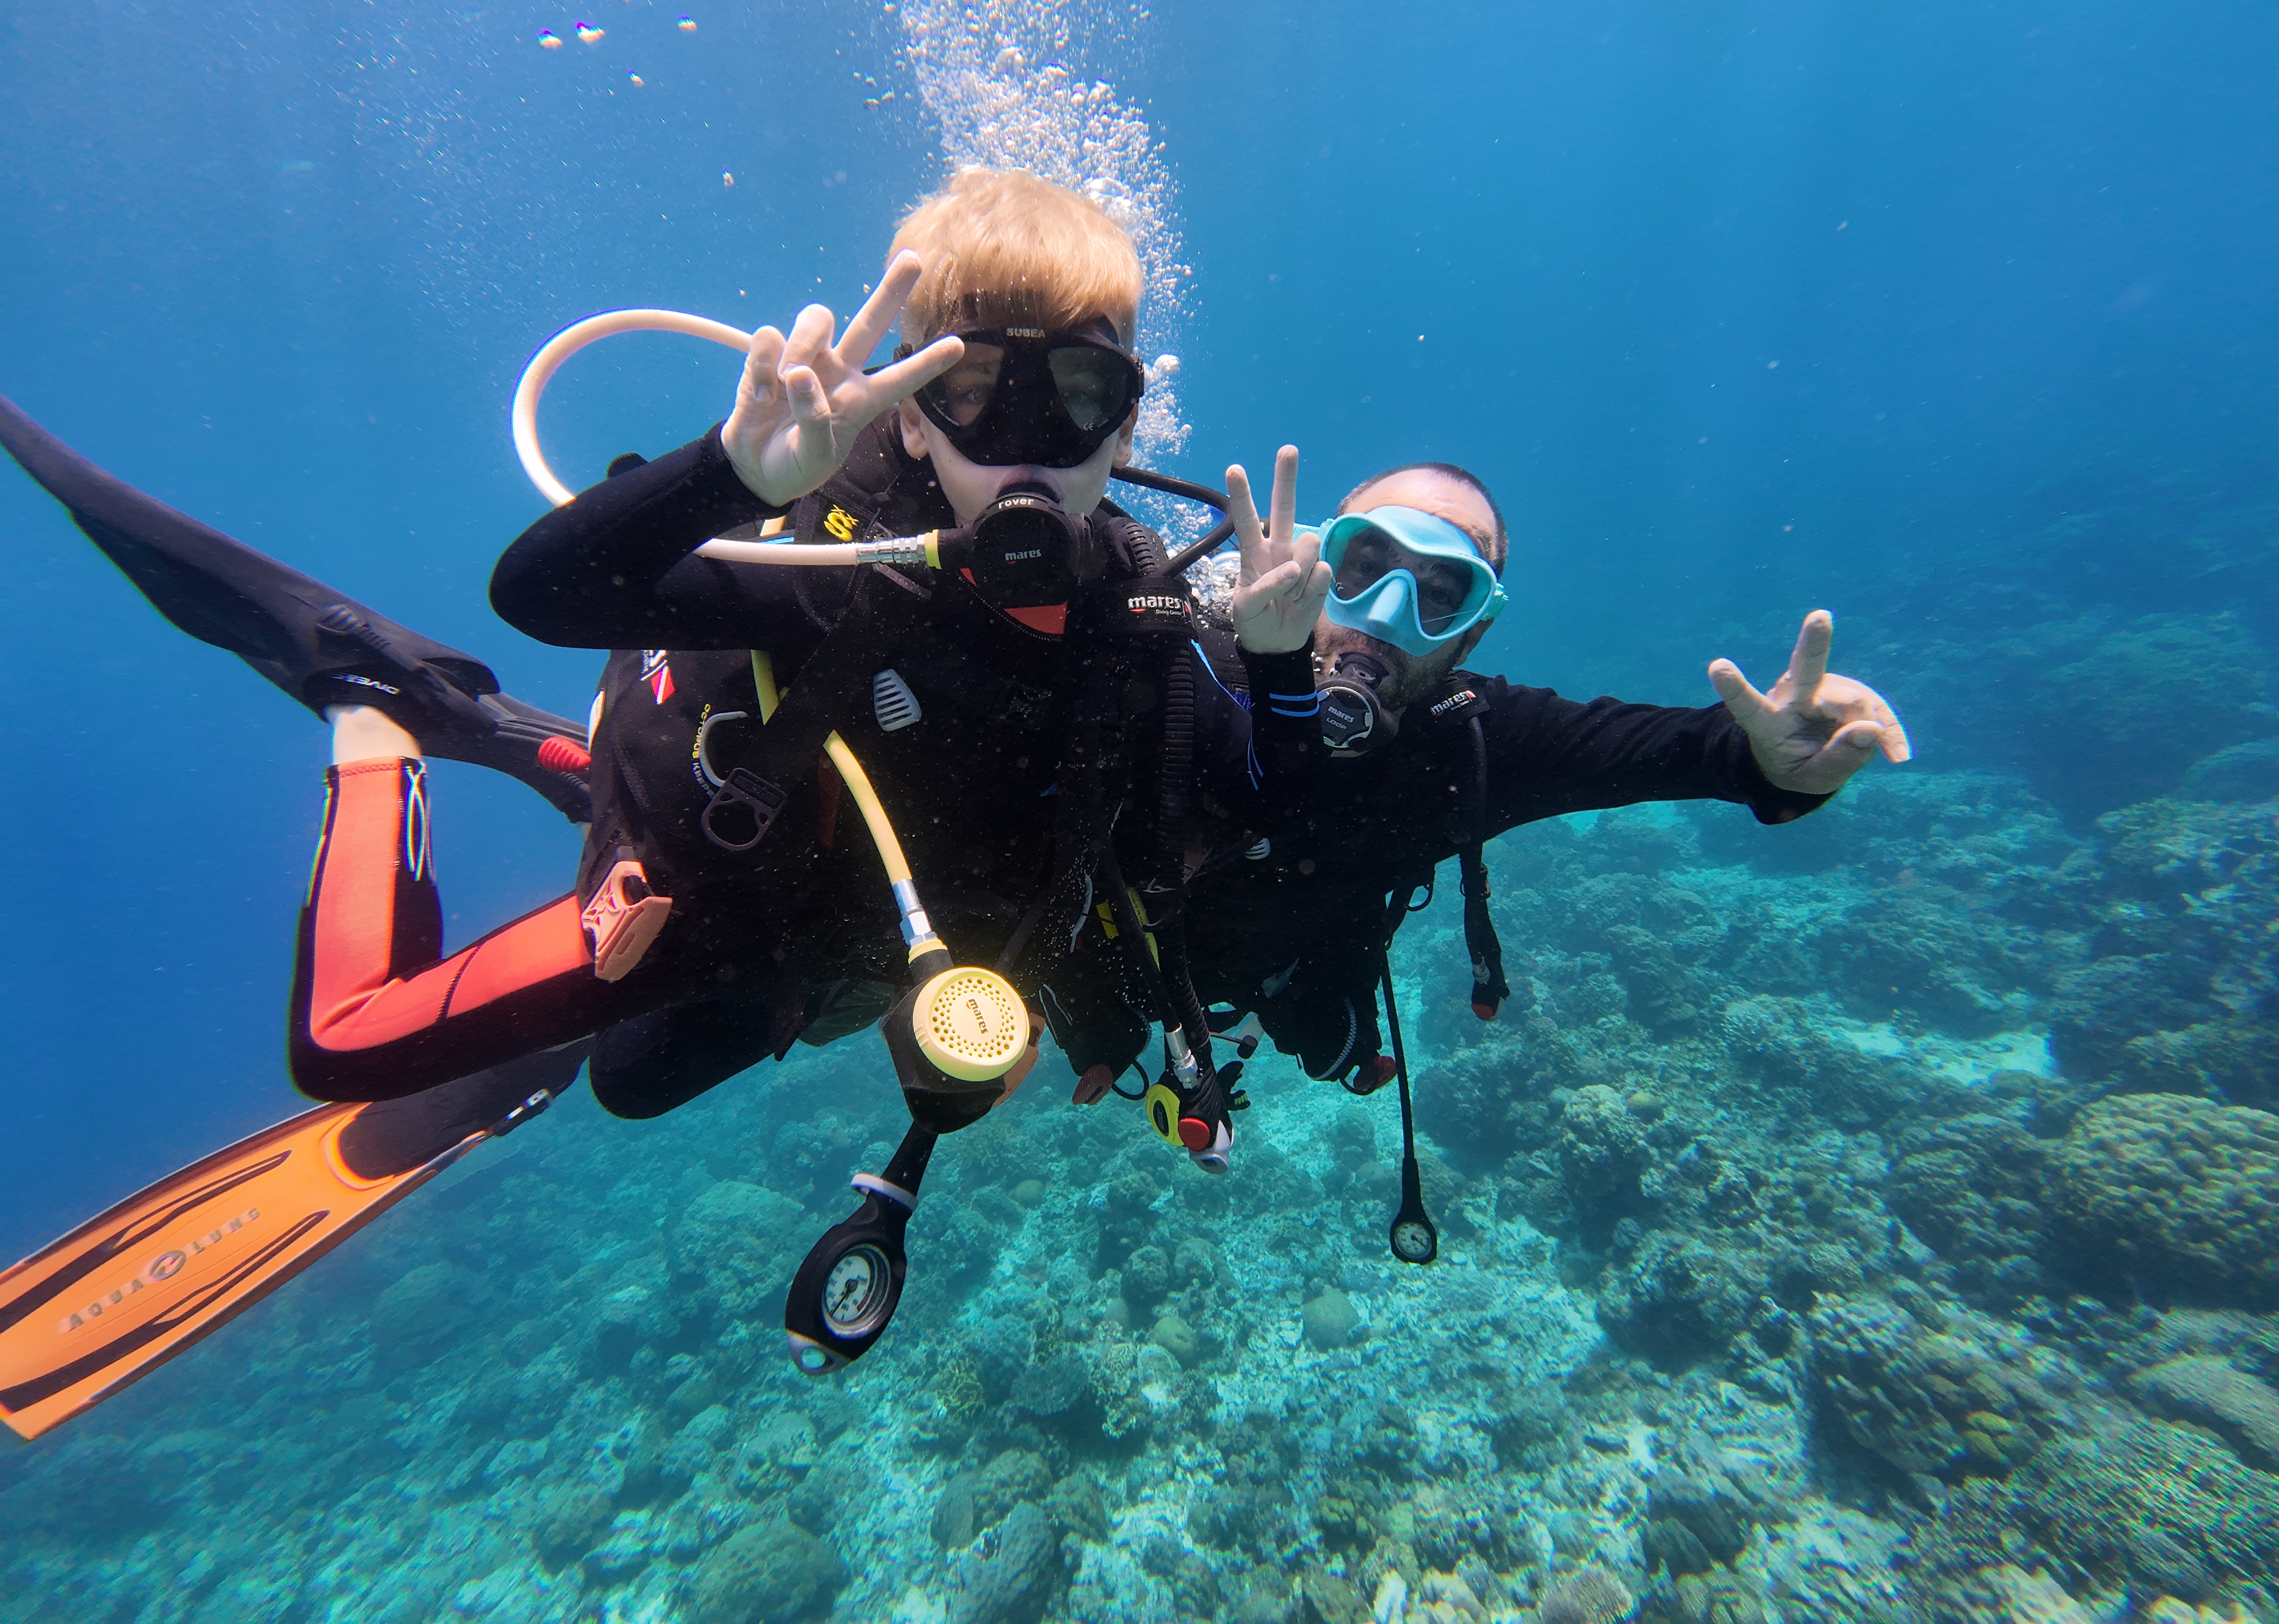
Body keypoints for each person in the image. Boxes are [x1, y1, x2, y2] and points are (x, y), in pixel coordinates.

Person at [0, 170, 1333, 1430]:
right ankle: (381, 715)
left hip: (844, 926)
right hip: (716, 875)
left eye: (1082, 395)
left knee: (636, 1083)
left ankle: (533, 753)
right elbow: (542, 594)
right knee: (346, 1049)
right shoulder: (823, 558)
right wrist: (728, 479)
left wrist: (1276, 672)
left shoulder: (1149, 614)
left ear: (1131, 418)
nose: (1031, 449)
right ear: (912, 412)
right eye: (980, 395)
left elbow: (1260, 810)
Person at [1183, 460, 1910, 1093]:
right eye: (1364, 565)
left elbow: (1673, 747)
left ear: (1474, 630)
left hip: (1299, 956)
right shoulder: (1186, 674)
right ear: (1314, 561)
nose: (1386, 616)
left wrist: (1767, 763)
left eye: (1440, 592)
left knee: (1331, 1030)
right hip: (1129, 950)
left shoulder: (1472, 739)